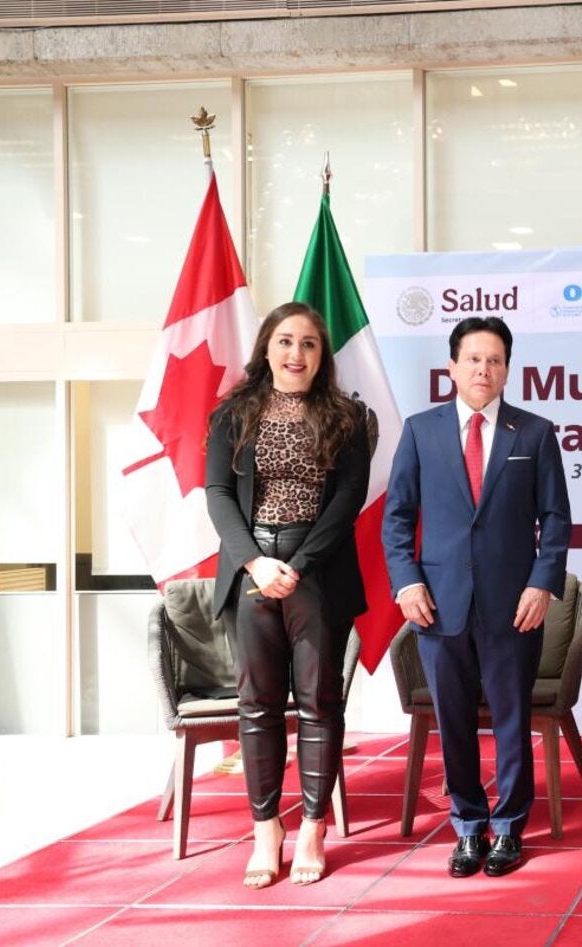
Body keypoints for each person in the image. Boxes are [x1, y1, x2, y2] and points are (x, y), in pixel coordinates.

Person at [383, 316, 570, 879]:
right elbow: (397, 518)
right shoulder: (420, 430)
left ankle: (510, 826)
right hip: (438, 605)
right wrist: (406, 581)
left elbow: (556, 519)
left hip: (513, 604)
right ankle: (468, 827)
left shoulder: (533, 433)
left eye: (494, 360)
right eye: (473, 359)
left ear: (508, 369)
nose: (483, 369)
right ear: (452, 367)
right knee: (454, 721)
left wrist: (542, 583)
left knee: (512, 720)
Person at [205, 301, 374, 889]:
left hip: (317, 568)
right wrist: (255, 562)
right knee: (256, 706)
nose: (295, 353)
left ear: (321, 356)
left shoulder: (348, 419)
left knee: (319, 702)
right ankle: (265, 829)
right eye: (285, 341)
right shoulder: (234, 413)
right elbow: (218, 494)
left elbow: (347, 501)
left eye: (308, 343)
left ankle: (311, 827)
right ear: (267, 348)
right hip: (252, 566)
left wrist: (296, 567)